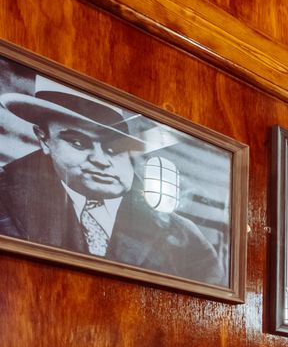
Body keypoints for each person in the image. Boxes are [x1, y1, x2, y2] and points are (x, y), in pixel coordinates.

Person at [0, 75, 222, 285]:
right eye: (78, 142)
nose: (100, 161)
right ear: (44, 139)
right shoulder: (6, 201)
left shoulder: (184, 236)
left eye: (113, 147)